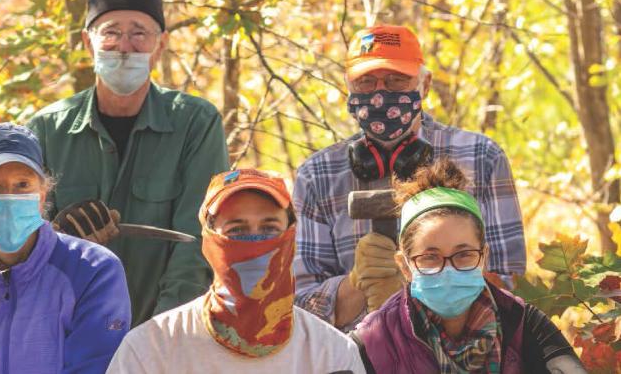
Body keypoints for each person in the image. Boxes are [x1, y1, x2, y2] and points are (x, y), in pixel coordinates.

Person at [293, 24, 526, 329]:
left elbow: (510, 284)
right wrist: (357, 282)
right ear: (348, 87)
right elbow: (301, 309)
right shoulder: (317, 175)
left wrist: (428, 283)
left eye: (396, 80)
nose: (380, 94)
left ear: (424, 84)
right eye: (366, 82)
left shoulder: (481, 157)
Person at [28, 0, 229, 326]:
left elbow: (198, 243)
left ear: (160, 45)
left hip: (165, 334)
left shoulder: (195, 123)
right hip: (68, 331)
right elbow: (28, 248)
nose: (124, 46)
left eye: (139, 33)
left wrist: (159, 336)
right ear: (88, 43)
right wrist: (60, 238)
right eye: (110, 32)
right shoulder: (47, 130)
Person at [107, 169, 366, 374]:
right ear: (208, 240)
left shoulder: (331, 353)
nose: (255, 244)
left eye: (269, 228)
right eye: (236, 230)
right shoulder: (150, 349)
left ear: (291, 235)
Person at [0, 123, 130, 374]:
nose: (8, 197)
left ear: (42, 195)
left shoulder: (94, 271)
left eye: (22, 185)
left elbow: (94, 366)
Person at [350, 159, 586, 373]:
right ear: (404, 266)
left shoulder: (522, 324)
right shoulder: (374, 341)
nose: (448, 270)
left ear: (483, 257)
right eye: (430, 258)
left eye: (463, 254)